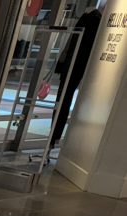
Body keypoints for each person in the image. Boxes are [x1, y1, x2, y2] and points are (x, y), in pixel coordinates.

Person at [50, 4, 103, 155]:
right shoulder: (91, 19)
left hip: (75, 66)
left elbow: (75, 45)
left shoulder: (92, 20)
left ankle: (55, 136)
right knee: (64, 99)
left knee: (64, 99)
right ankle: (55, 136)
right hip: (75, 66)